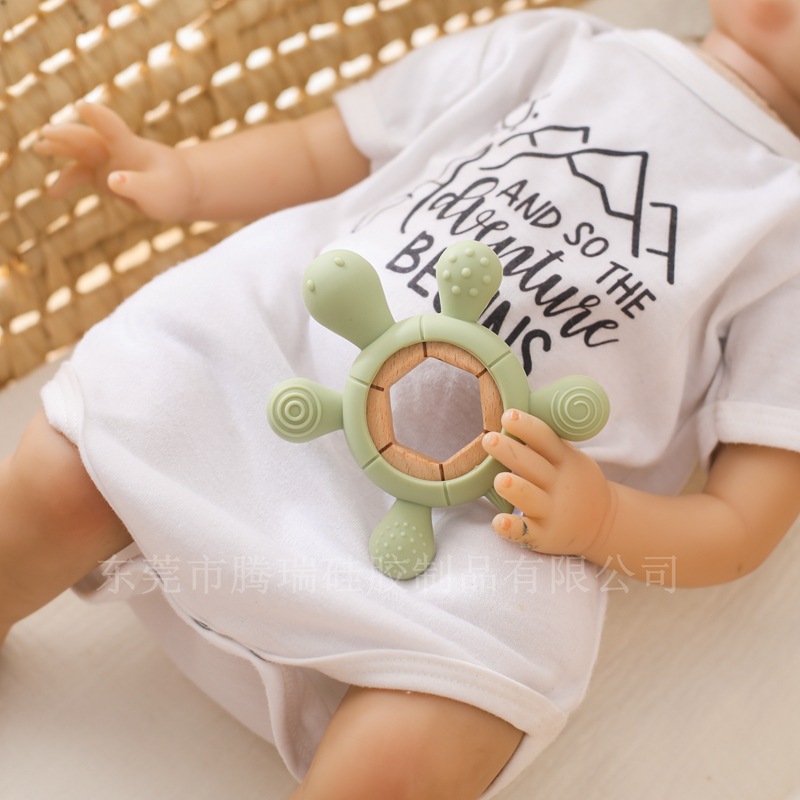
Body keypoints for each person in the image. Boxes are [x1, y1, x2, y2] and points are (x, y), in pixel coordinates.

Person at [3, 0, 800, 797]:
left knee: (461, 703)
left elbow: (743, 522)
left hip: (484, 523)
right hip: (283, 380)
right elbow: (328, 148)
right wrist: (189, 178)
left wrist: (600, 520)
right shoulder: (556, 47)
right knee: (92, 444)